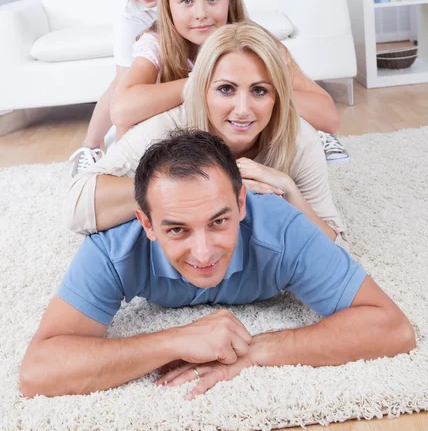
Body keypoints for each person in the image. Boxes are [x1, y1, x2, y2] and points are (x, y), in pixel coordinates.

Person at [21, 129, 415, 399]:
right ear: (146, 223)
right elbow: (40, 369)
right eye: (177, 230)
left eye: (219, 221)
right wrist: (172, 340)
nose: (205, 253)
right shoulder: (114, 245)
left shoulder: (281, 227)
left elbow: (392, 328)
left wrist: (255, 350)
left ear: (242, 204)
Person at [64, 22, 348, 248]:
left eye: (259, 91)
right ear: (202, 90)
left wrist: (290, 189)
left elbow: (339, 250)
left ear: (278, 97)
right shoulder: (170, 126)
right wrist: (197, 189)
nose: (242, 110)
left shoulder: (299, 139)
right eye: (226, 89)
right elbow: (77, 206)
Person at [109, 0, 340, 141]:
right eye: (186, 1)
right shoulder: (157, 44)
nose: (200, 13)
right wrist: (201, 83)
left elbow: (328, 117)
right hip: (186, 152)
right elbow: (121, 112)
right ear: (168, 5)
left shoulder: (257, 44)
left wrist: (258, 92)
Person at [69, 0, 176, 177]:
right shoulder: (131, 18)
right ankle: (91, 146)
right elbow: (125, 89)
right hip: (144, 76)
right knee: (121, 82)